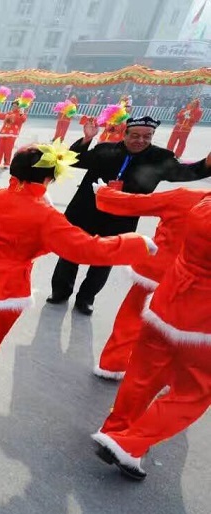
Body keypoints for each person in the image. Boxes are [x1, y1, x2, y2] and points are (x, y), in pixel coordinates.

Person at [0, 144, 154, 408]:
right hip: (4, 288)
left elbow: (16, 202)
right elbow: (85, 248)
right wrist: (134, 243)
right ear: (49, 178)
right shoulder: (46, 217)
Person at [92, 196, 211, 481]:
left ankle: (114, 431)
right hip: (203, 323)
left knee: (141, 376)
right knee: (192, 394)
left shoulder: (202, 204)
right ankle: (128, 443)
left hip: (167, 302)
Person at [47, 116, 211, 315]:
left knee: (104, 261)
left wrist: (207, 163)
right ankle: (60, 292)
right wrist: (87, 139)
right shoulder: (105, 150)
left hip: (120, 219)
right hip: (85, 211)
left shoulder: (160, 158)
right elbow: (74, 160)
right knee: (71, 254)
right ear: (124, 134)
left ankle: (86, 298)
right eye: (135, 135)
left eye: (146, 136)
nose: (140, 140)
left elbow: (189, 172)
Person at [92, 182, 208, 380]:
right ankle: (169, 378)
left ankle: (113, 363)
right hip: (196, 282)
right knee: (183, 332)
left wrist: (105, 193)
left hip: (157, 270)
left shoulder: (184, 196)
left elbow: (137, 203)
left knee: (131, 318)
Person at [0, 100, 27, 170]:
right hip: (3, 133)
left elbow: (23, 120)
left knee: (8, 149)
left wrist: (22, 113)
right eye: (13, 106)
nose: (14, 107)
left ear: (19, 107)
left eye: (16, 106)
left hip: (12, 134)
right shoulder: (9, 113)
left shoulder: (20, 114)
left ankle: (7, 164)